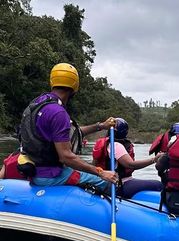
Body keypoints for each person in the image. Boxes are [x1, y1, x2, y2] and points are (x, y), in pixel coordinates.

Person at [19, 63, 118, 191]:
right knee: (109, 182)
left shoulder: (38, 103)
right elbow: (65, 156)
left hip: (35, 171)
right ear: (75, 86)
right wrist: (100, 172)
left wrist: (101, 126)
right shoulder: (58, 112)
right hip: (51, 176)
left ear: (52, 81)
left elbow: (70, 134)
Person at [92, 117, 163, 198]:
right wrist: (154, 159)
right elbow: (130, 164)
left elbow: (94, 165)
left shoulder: (104, 144)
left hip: (106, 182)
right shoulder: (116, 145)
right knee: (158, 184)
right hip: (120, 185)